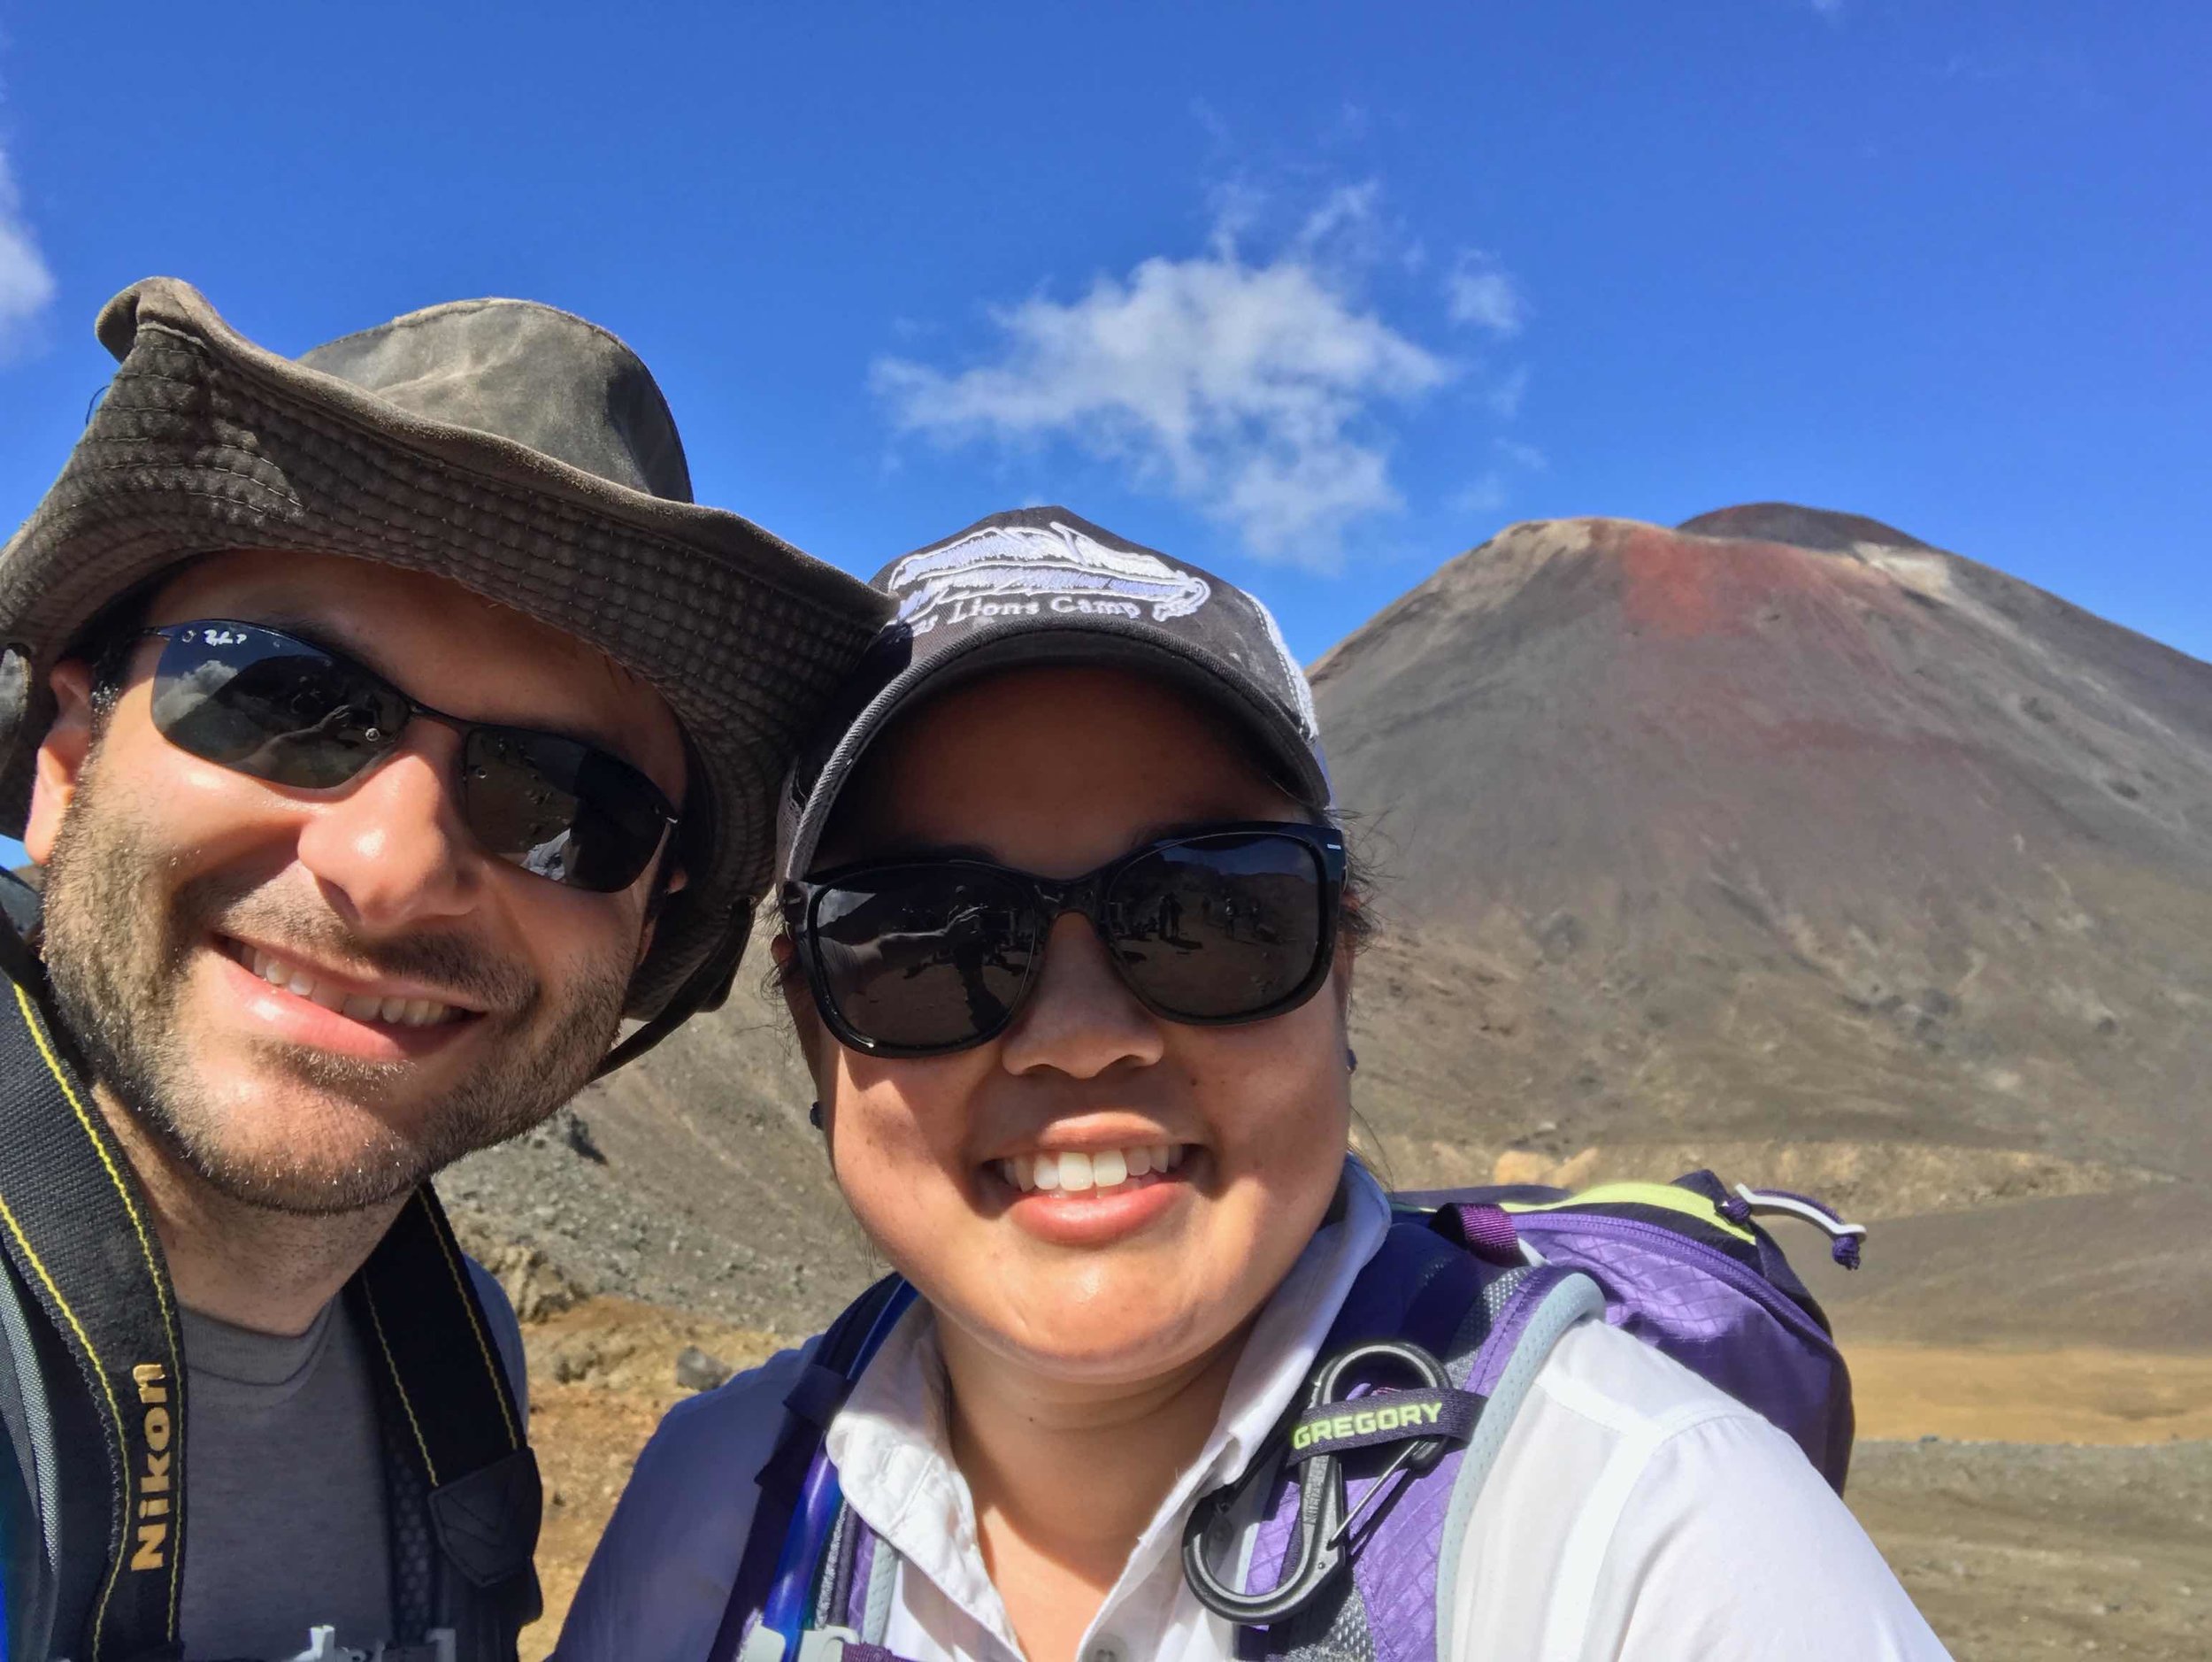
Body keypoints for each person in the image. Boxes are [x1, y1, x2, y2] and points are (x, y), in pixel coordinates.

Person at [559, 507, 1951, 1662]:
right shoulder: (714, 1513)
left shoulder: (1651, 1540)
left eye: (1209, 912)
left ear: (1341, 966)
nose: (1081, 1033)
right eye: (927, 939)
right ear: (814, 1025)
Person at [0, 278, 887, 1660]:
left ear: (641, 934)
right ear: (66, 762)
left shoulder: (456, 1357)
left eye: (562, 801)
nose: (391, 862)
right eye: (283, 699)